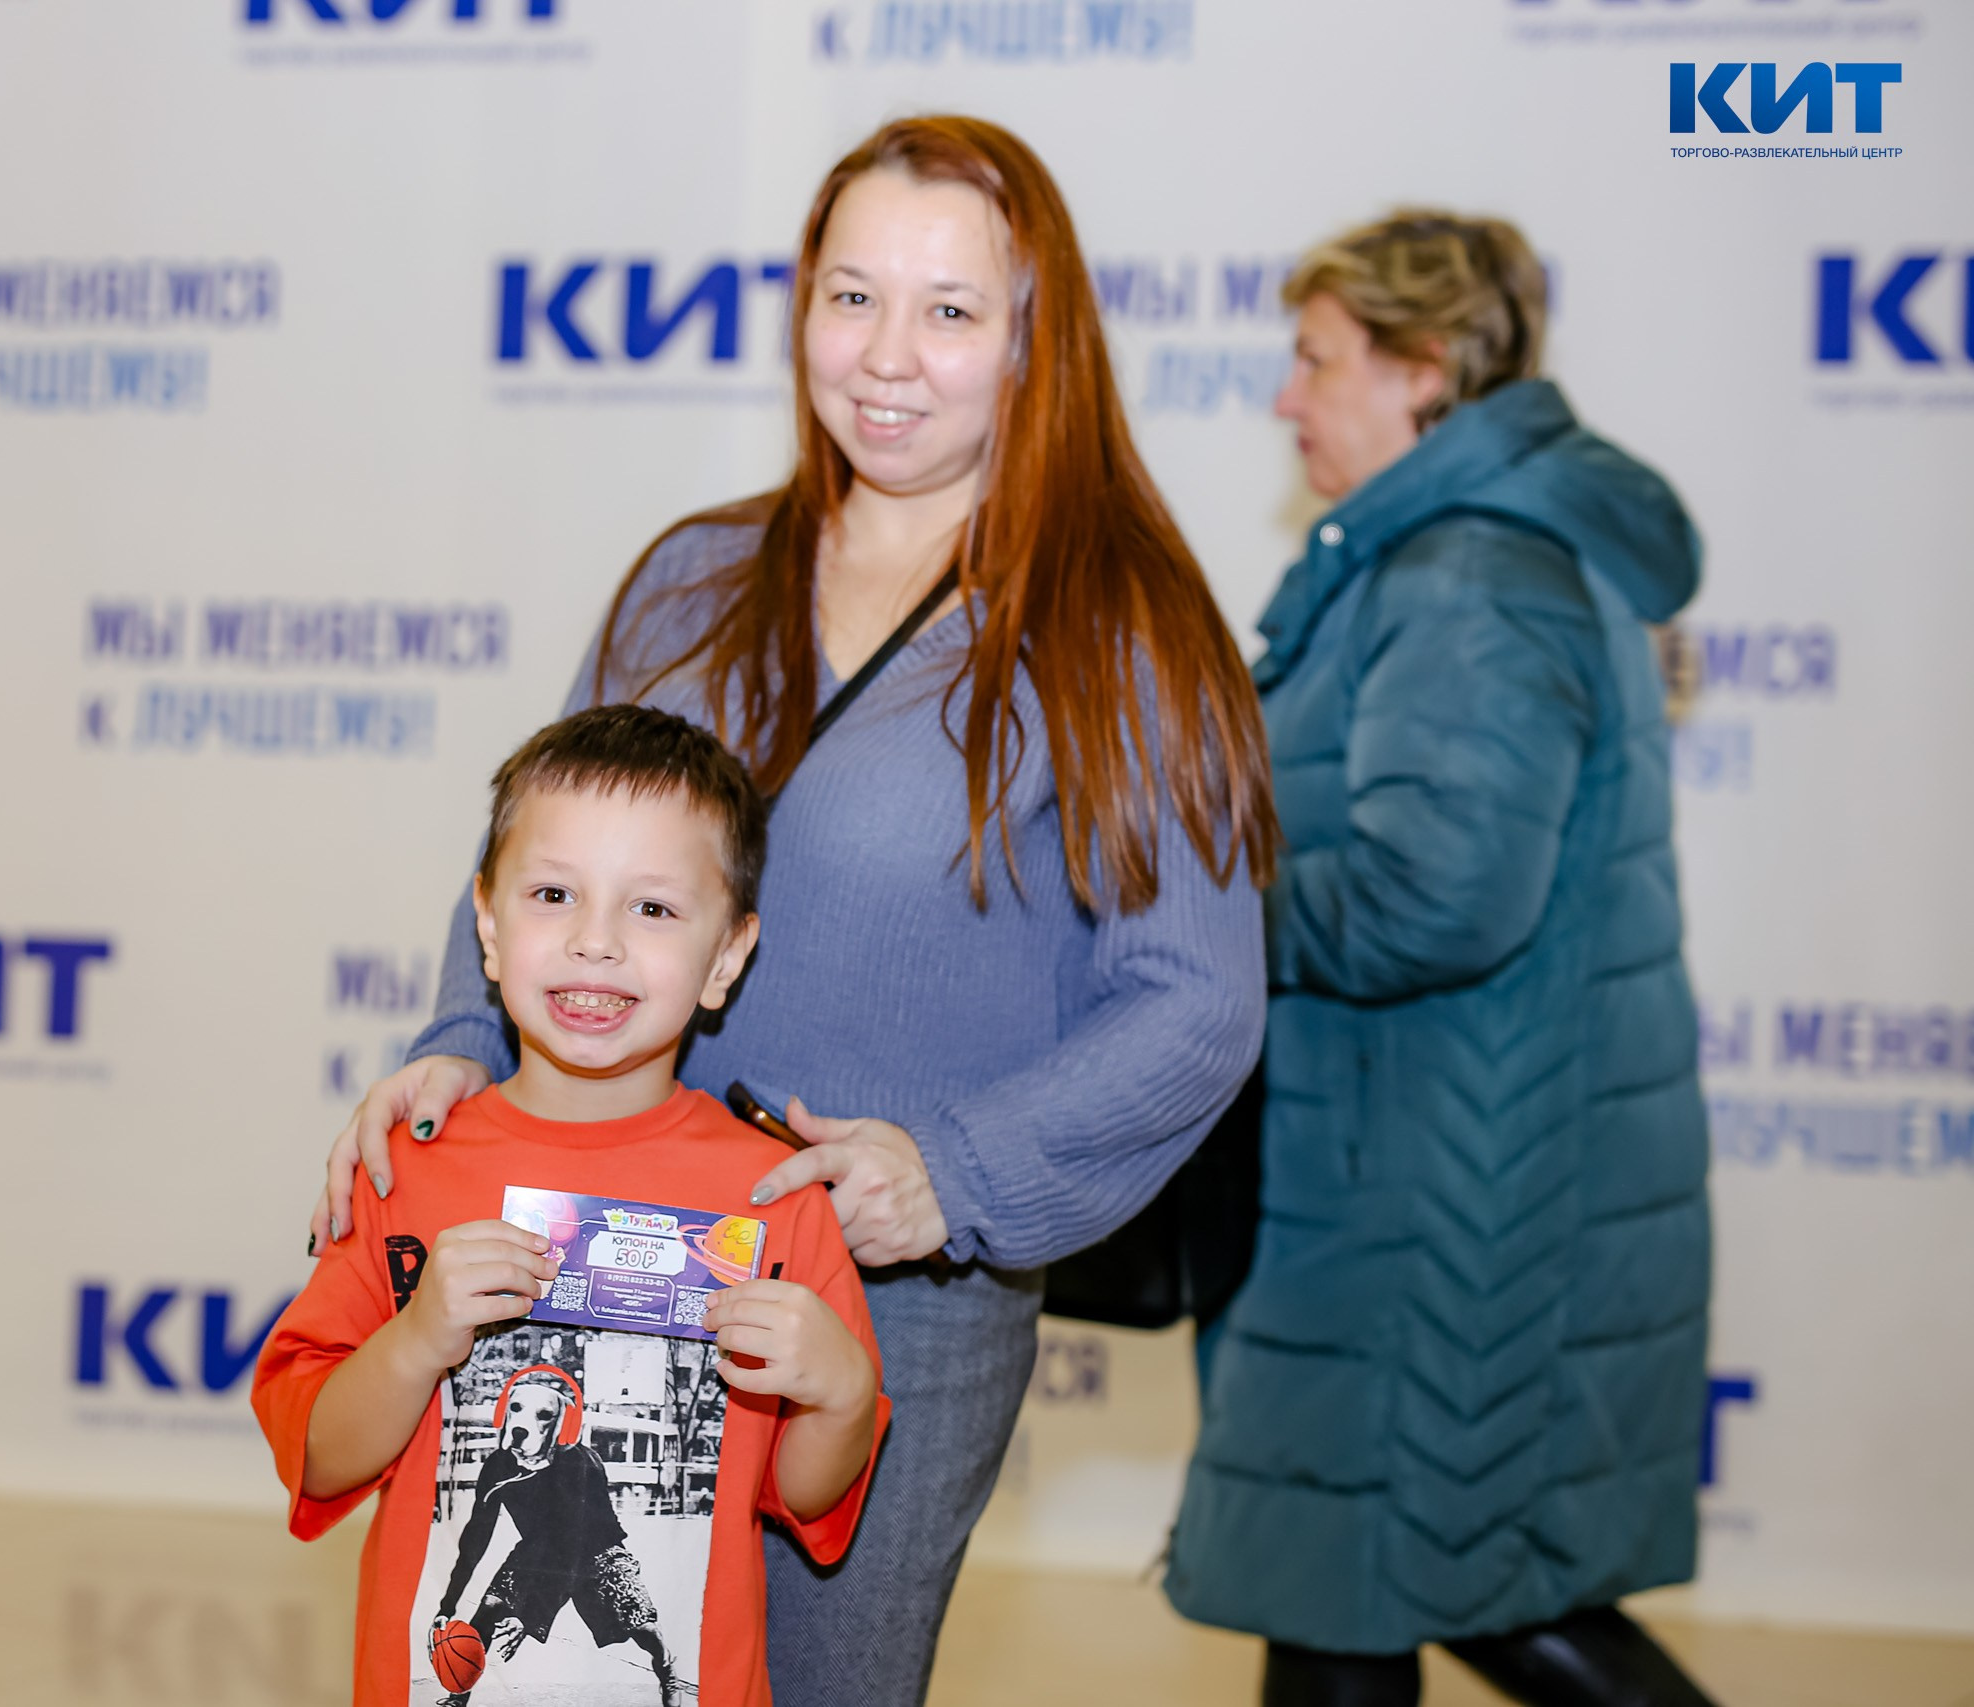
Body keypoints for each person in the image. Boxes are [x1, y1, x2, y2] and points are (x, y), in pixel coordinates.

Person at [311, 115, 1275, 1705]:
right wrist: (456, 1034)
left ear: (1038, 341)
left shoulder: (1124, 633)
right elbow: (536, 849)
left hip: (884, 1307)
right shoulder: (689, 582)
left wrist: (952, 1173)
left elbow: (1196, 1000)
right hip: (588, 1265)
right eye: (852, 296)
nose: (890, 355)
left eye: (952, 311)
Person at [1163, 212, 1717, 1707]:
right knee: (1358, 1581)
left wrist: (1188, 925)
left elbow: (1431, 897)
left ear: (1422, 373)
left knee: (1383, 1577)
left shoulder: (1466, 573)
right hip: (1417, 1177)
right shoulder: (1464, 551)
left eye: (1316, 358)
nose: (1286, 397)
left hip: (1439, 1200)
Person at [256, 706, 887, 1707]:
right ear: (489, 929)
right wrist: (419, 1340)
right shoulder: (405, 1171)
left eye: (654, 910)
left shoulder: (776, 1200)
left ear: (727, 958)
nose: (595, 943)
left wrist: (842, 1393)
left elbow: (802, 1497)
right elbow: (320, 1456)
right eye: (554, 894)